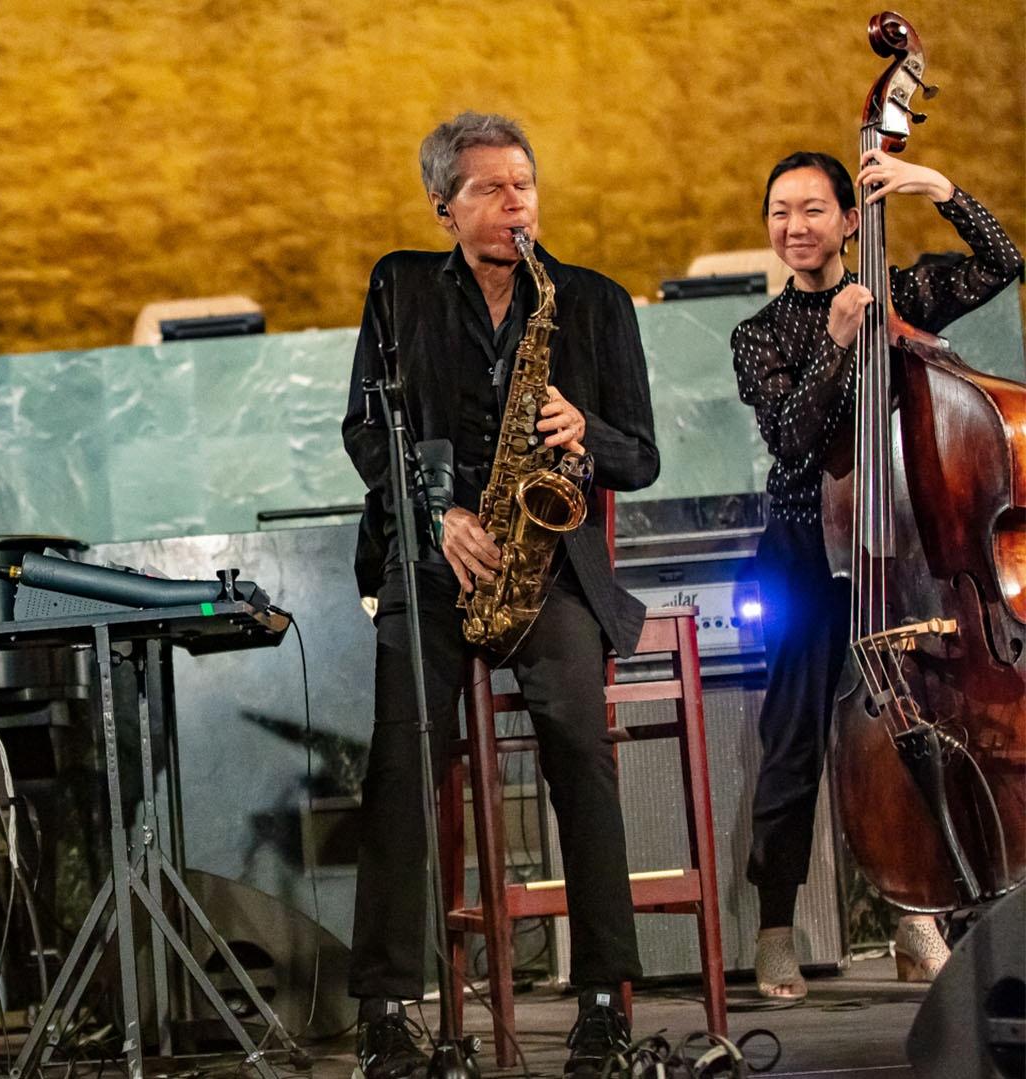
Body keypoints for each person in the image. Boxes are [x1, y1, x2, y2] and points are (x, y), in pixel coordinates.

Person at [342, 112, 659, 1079]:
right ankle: (388, 1007)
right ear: (445, 208)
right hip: (434, 564)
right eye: (491, 187)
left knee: (578, 742)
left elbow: (640, 456)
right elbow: (365, 431)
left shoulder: (593, 302)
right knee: (402, 757)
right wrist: (435, 516)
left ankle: (606, 997)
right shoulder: (399, 289)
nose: (516, 201)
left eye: (525, 183)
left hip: (546, 569)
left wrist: (583, 434)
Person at [732, 149, 1021, 1000]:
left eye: (814, 210)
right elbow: (792, 437)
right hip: (805, 558)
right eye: (780, 212)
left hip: (908, 559)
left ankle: (915, 913)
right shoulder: (761, 336)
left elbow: (1006, 262)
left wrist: (941, 190)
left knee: (925, 719)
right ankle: (776, 931)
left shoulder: (908, 298)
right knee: (791, 746)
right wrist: (836, 342)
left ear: (851, 220)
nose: (796, 227)